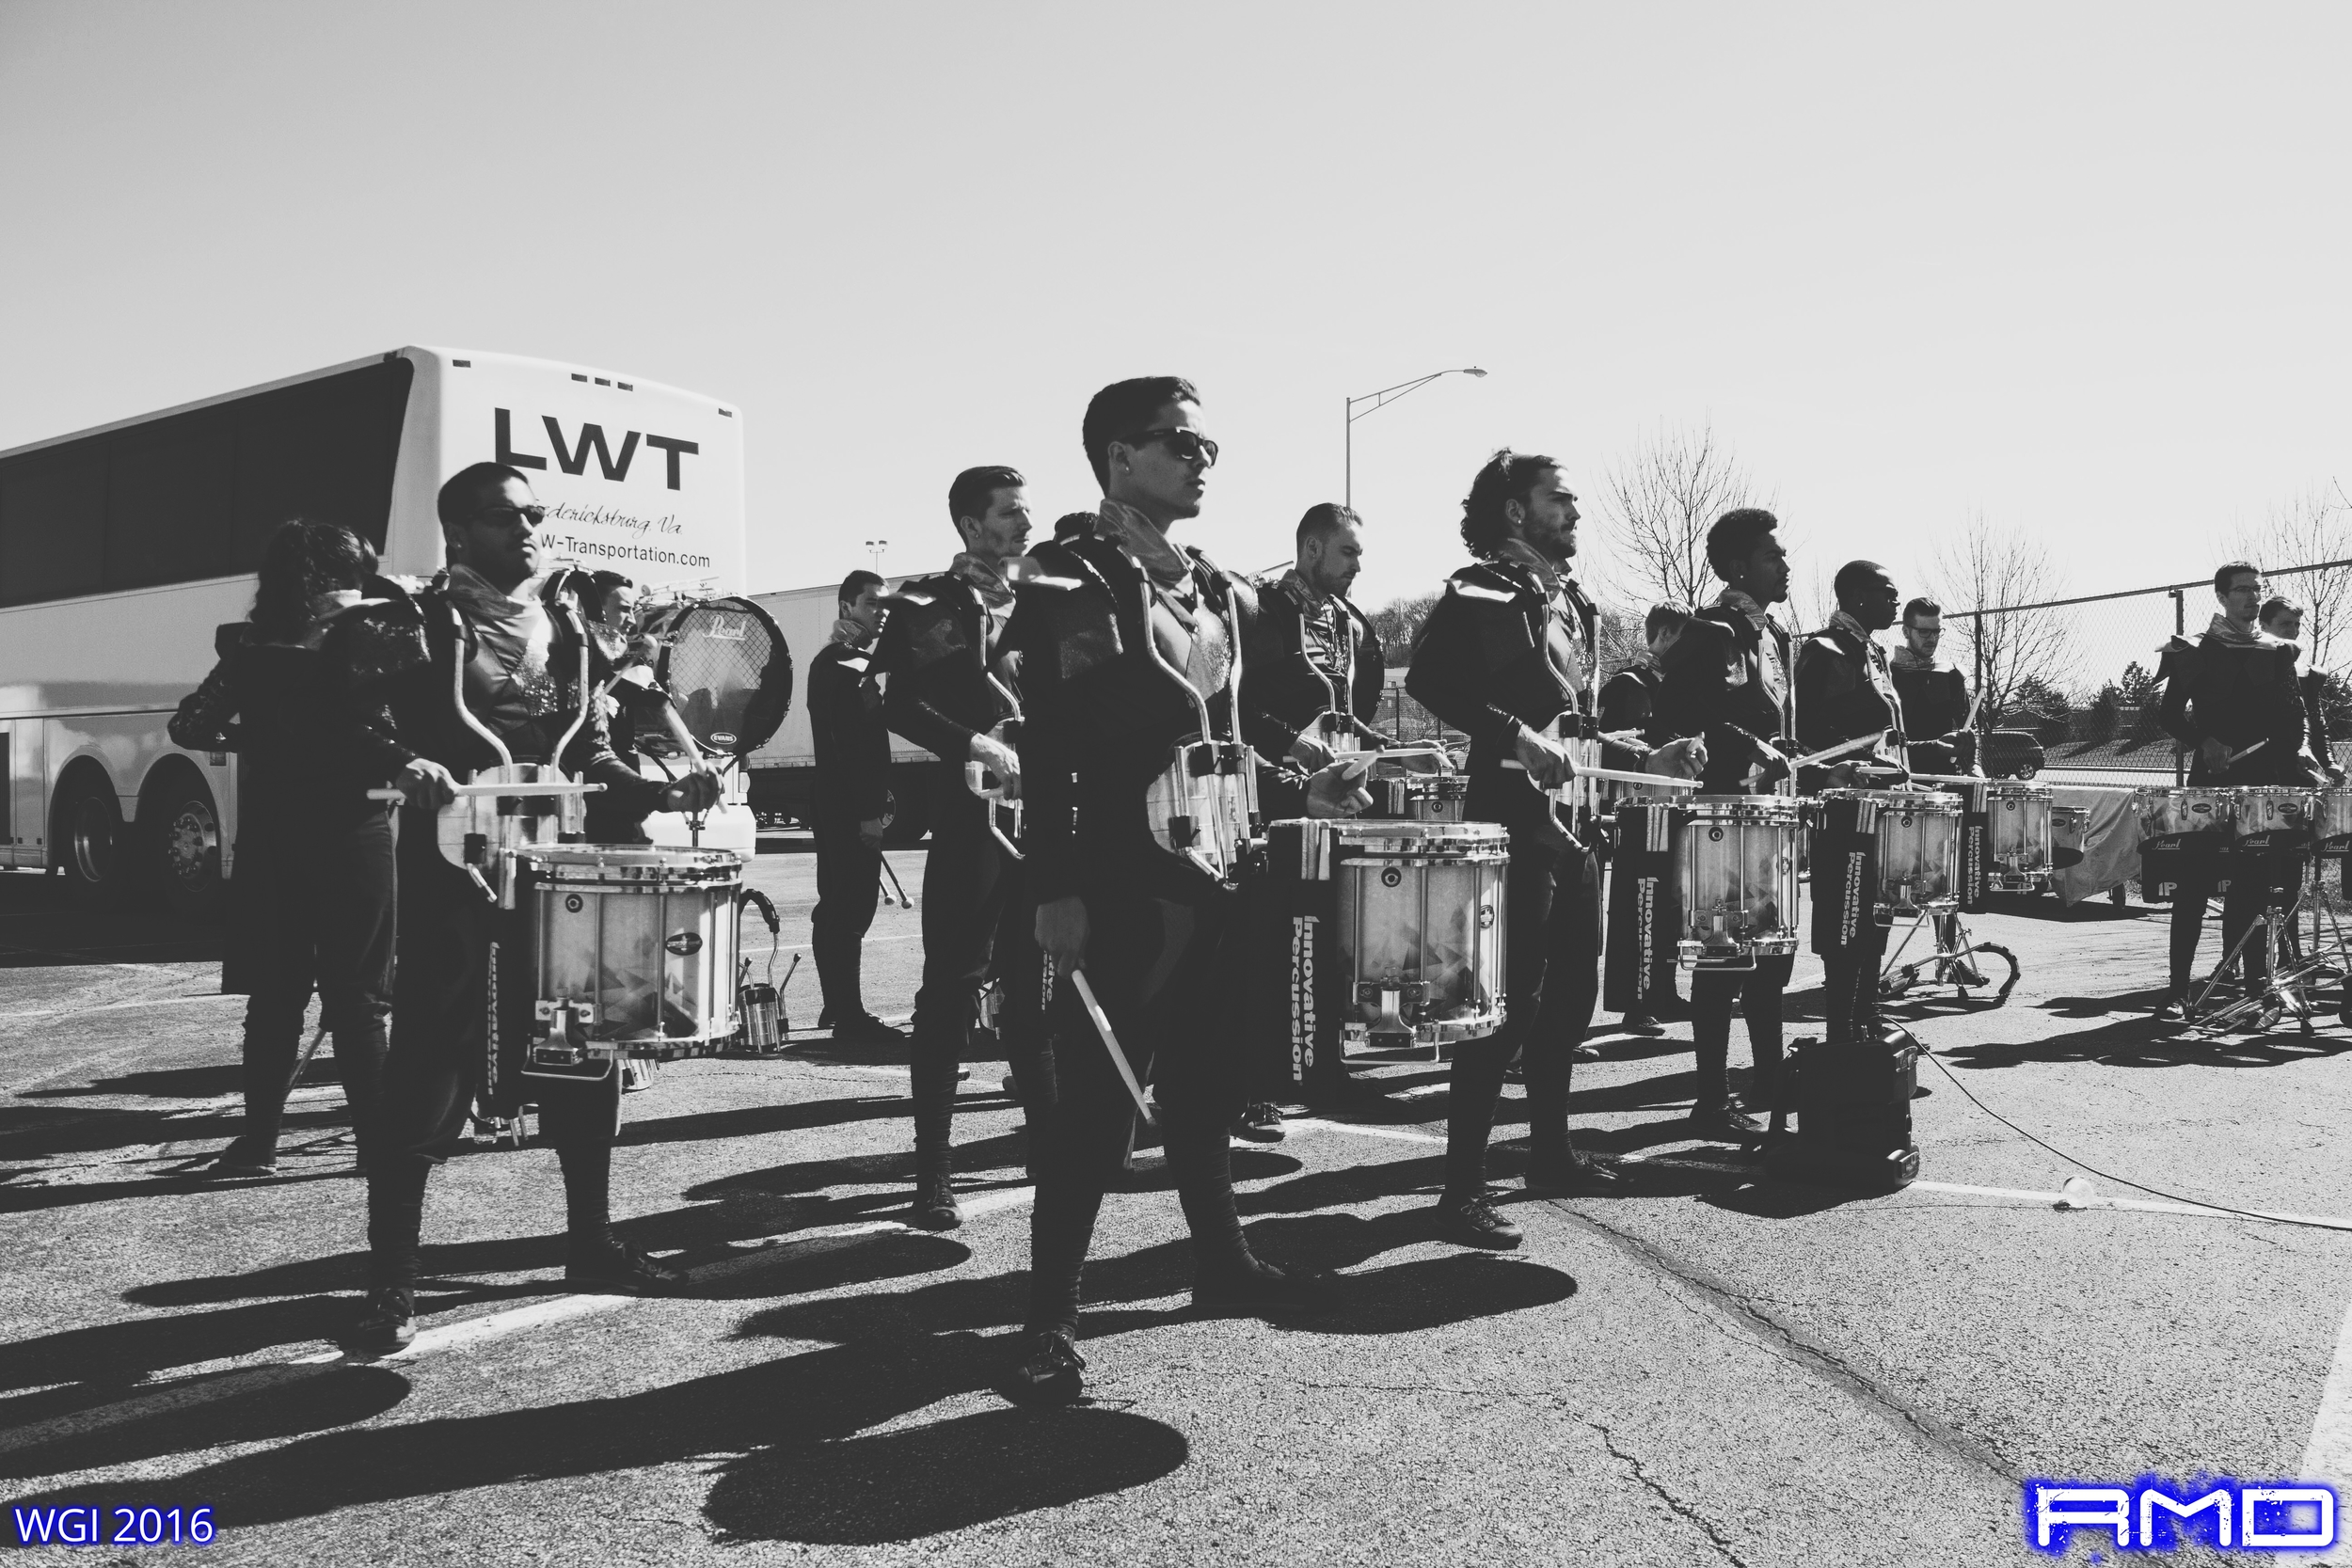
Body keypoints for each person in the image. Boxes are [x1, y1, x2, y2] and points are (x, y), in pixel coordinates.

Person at [1003, 375, 1361, 1404]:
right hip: (1120, 875)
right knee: (1094, 1111)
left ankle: (1221, 1261)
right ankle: (1046, 1318)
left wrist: (1305, 774)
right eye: (1179, 444)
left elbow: (1231, 721)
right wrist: (1054, 886)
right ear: (1119, 456)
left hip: (1222, 863)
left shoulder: (1212, 582)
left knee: (1206, 1081)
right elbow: (1050, 746)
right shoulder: (1065, 576)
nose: (1202, 460)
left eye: (1209, 447)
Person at [337, 463, 721, 1354]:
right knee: (429, 1069)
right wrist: (403, 759)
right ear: (459, 532)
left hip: (558, 883)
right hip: (451, 879)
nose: (531, 530)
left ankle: (589, 1243)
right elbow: (337, 712)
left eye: (537, 515)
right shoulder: (419, 623)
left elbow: (589, 753)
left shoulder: (570, 631)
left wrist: (663, 789)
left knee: (582, 1054)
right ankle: (391, 1280)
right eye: (509, 517)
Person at [1405, 450, 1700, 1250]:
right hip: (1510, 819)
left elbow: (1577, 728)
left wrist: (1648, 760)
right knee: (1500, 1009)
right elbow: (1427, 682)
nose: (1574, 512)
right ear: (1513, 510)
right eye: (1559, 498)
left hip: (1574, 822)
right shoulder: (1483, 587)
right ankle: (1460, 1190)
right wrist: (1512, 735)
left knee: (1570, 1000)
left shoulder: (1568, 600)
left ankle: (1549, 1154)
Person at [169, 519, 394, 1180]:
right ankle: (376, 1147)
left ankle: (258, 1143)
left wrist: (264, 743)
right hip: (355, 833)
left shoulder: (248, 648)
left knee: (273, 999)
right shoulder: (366, 642)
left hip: (272, 839)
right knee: (359, 1000)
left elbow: (189, 724)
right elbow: (389, 733)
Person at [874, 466, 1044, 1230]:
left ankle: (1053, 1148)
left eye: (1026, 510)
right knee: (949, 990)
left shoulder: (1048, 599)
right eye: (1011, 513)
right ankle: (934, 1172)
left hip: (1045, 820)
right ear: (972, 525)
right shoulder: (922, 604)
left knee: (1037, 991)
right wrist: (973, 742)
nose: (1025, 523)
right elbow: (898, 702)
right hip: (971, 818)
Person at [1649, 512, 1801, 1132]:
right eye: (1773, 555)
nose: (1785, 563)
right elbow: (1675, 718)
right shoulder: (1707, 633)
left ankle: (1768, 1080)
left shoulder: (1775, 636)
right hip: (1717, 821)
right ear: (1740, 567)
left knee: (1773, 962)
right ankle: (1711, 1099)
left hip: (1767, 819)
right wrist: (1746, 747)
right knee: (1722, 964)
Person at [1237, 501, 1388, 1119]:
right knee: (1265, 946)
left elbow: (1347, 720)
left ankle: (1326, 1067)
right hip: (1273, 800)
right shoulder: (1261, 611)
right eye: (1348, 551)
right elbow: (1238, 707)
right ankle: (1252, 1085)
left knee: (1331, 943)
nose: (1359, 564)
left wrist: (1398, 752)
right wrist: (1290, 744)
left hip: (1334, 805)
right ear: (1311, 549)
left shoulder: (1350, 624)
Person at [2152, 562, 2327, 1020]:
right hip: (2211, 782)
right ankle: (2177, 993)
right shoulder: (2196, 649)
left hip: (2263, 783)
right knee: (2192, 884)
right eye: (2242, 590)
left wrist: (2303, 759)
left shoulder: (2279, 651)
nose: (2251, 597)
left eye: (2256, 589)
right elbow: (2168, 714)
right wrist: (2204, 742)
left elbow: (2296, 718)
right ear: (2222, 596)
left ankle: (2252, 987)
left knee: (2251, 886)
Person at [1793, 559, 1912, 1046]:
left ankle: (1867, 1013)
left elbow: (1878, 738)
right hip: (1843, 810)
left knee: (1879, 913)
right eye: (1888, 592)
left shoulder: (1875, 653)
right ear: (1858, 596)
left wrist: (1927, 750)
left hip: (1882, 804)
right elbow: (1801, 735)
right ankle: (1841, 1026)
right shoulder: (1822, 651)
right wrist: (1833, 773)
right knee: (1846, 917)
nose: (1895, 601)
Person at [807, 569, 899, 1043]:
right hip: (846, 806)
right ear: (846, 608)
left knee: (841, 906)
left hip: (841, 801)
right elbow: (850, 746)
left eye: (885, 605)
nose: (880, 614)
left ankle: (837, 1006)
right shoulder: (841, 664)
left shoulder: (849, 661)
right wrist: (867, 810)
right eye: (871, 605)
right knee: (849, 907)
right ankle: (849, 1018)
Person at [1597, 602, 1692, 1037]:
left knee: (1672, 905)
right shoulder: (1629, 684)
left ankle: (1664, 992)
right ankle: (1636, 1002)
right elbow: (1610, 746)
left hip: (1678, 805)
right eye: (1685, 639)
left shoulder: (1681, 685)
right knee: (1642, 904)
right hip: (1642, 811)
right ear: (1667, 635)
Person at [1887, 596, 1977, 775]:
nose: (1932, 638)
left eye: (1937, 631)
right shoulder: (1887, 675)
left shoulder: (1950, 674)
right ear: (1905, 631)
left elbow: (1969, 728)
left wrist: (1973, 765)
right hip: (1897, 777)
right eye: (1924, 632)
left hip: (1943, 782)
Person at [2261, 596, 2342, 783]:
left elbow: (2316, 721)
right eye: (2285, 624)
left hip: (2299, 765)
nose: (2294, 631)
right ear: (2263, 626)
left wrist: (2329, 762)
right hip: (2258, 766)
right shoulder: (2251, 668)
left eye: (2297, 624)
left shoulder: (2307, 673)